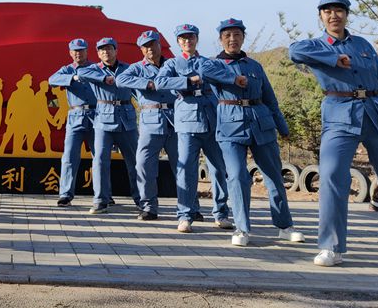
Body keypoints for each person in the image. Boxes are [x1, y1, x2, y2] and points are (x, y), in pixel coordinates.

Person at [290, 0, 378, 266]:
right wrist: (333, 58)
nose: (333, 15)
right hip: (340, 116)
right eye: (327, 11)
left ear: (347, 14)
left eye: (338, 10)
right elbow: (294, 52)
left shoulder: (363, 44)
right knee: (332, 176)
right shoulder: (315, 46)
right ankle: (331, 247)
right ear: (321, 16)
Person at [200, 18, 305, 247]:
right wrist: (233, 78)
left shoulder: (255, 66)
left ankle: (285, 226)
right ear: (220, 39)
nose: (232, 39)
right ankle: (242, 228)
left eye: (237, 35)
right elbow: (203, 71)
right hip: (230, 127)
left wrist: (282, 126)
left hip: (261, 123)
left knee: (274, 176)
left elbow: (270, 98)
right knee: (237, 176)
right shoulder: (214, 64)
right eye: (227, 35)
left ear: (243, 37)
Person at [155, 24, 233, 233]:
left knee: (218, 169)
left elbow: (225, 78)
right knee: (186, 171)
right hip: (187, 120)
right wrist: (188, 81)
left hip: (212, 119)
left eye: (190, 37)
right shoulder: (172, 63)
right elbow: (160, 81)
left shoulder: (209, 62)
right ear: (178, 42)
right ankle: (185, 215)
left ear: (197, 39)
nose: (187, 41)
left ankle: (221, 213)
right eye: (183, 38)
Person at [115, 30, 178, 221]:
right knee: (144, 165)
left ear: (159, 45)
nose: (150, 49)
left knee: (183, 166)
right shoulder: (136, 68)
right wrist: (148, 83)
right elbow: (120, 80)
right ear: (141, 50)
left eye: (152, 44)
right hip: (150, 121)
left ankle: (190, 207)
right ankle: (149, 206)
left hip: (175, 119)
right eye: (145, 46)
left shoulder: (173, 64)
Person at [76, 37, 140, 214]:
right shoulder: (93, 69)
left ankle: (141, 199)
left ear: (116, 51)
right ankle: (101, 200)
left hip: (126, 120)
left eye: (109, 49)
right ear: (98, 53)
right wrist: (104, 78)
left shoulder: (128, 68)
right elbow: (81, 74)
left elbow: (137, 88)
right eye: (102, 50)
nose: (106, 52)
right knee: (100, 161)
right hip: (103, 120)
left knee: (136, 161)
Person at [48, 39, 98, 207]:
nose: (78, 53)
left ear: (87, 51)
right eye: (75, 51)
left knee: (99, 157)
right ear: (70, 53)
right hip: (76, 115)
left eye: (81, 50)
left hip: (97, 115)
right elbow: (52, 79)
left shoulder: (96, 68)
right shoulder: (67, 69)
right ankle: (65, 194)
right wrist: (73, 77)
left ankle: (103, 194)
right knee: (69, 156)